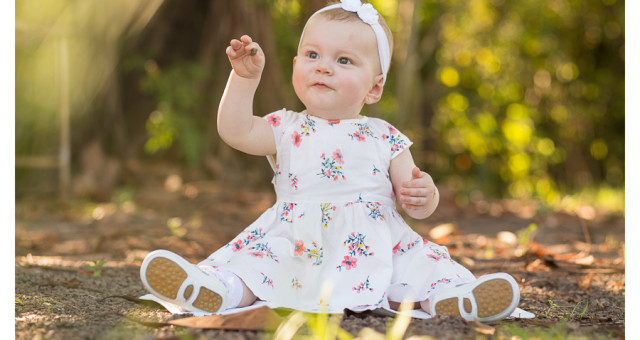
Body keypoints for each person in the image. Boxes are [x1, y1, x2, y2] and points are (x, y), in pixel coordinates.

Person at [140, 0, 520, 322]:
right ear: (295, 66)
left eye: (343, 60)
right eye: (312, 55)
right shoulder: (285, 127)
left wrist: (426, 193)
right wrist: (243, 80)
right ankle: (214, 290)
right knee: (258, 265)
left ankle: (452, 300)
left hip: (372, 244)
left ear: (374, 86)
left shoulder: (384, 135)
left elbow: (415, 201)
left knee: (418, 268)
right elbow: (235, 131)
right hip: (297, 240)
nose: (323, 67)